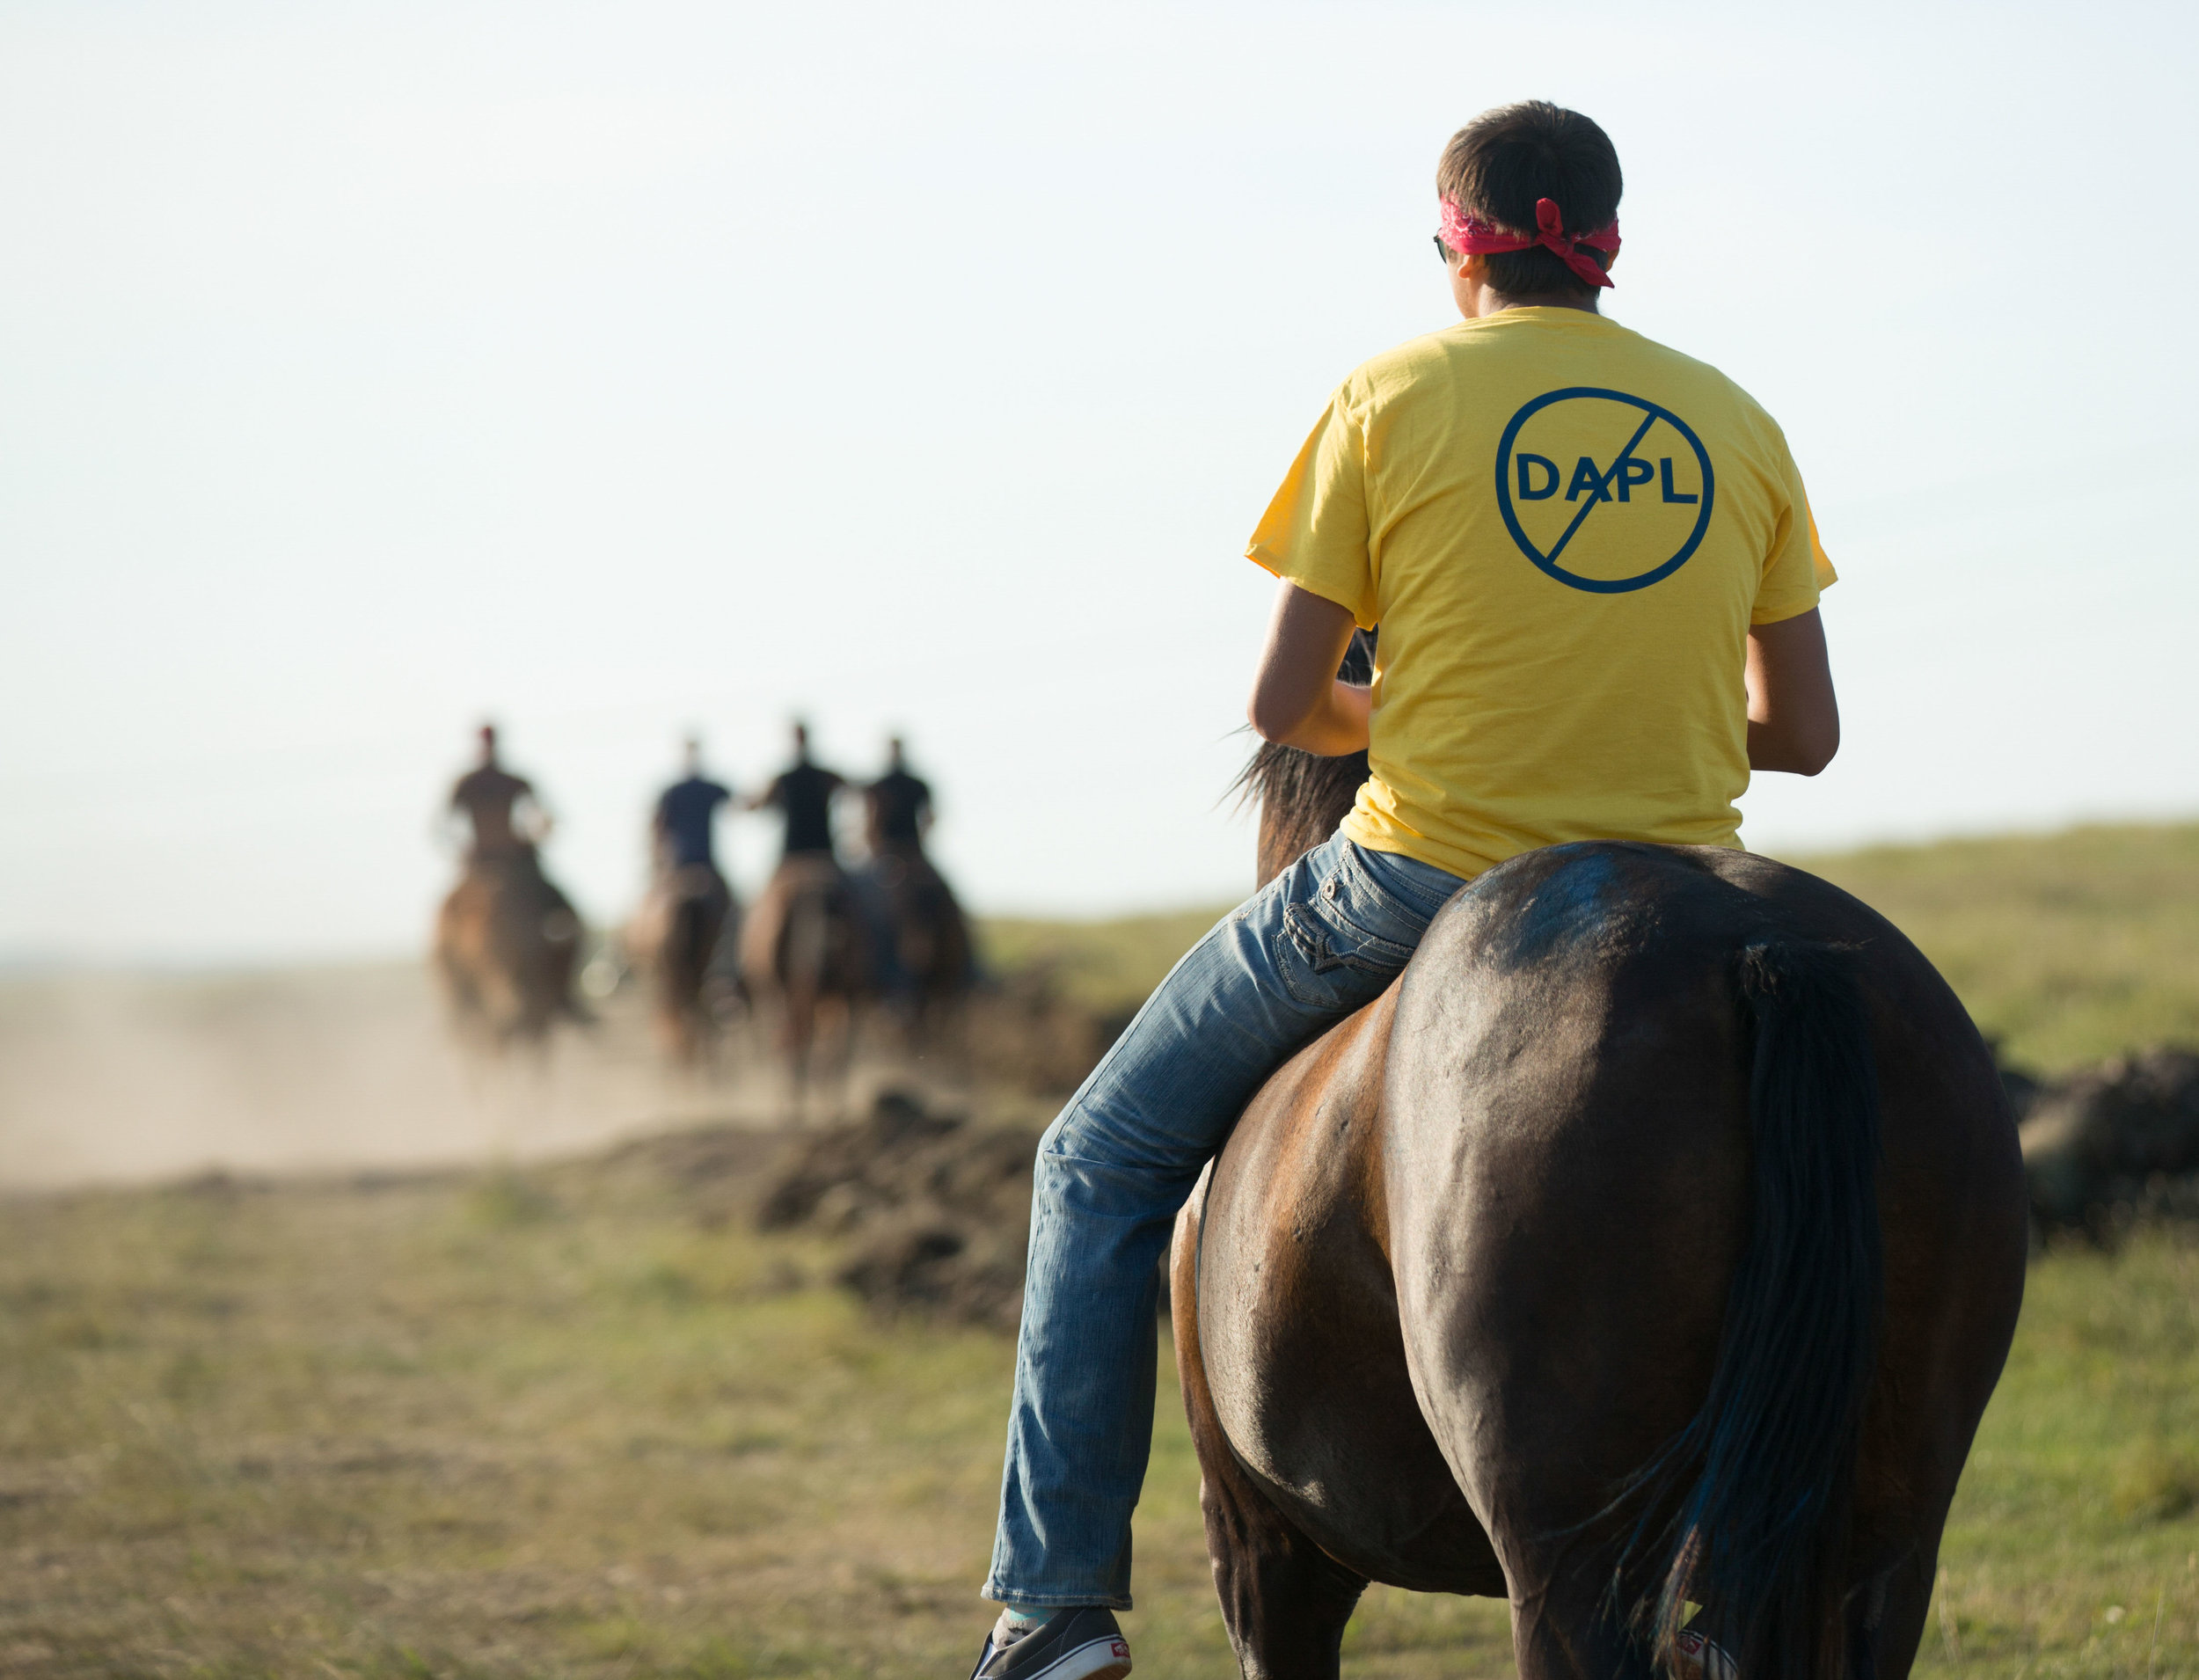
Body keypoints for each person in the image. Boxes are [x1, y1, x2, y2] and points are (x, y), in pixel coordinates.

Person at [968, 101, 1841, 1680]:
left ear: (1457, 244)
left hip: (1421, 878)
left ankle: (1057, 1611)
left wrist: (1415, 711)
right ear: (1611, 244)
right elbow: (1811, 737)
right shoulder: (1732, 416)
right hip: (1682, 873)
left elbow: (1283, 707)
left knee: (1095, 1157)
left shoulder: (1388, 394)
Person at [448, 723, 545, 862]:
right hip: (479, 859)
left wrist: (532, 837)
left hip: (516, 857)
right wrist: (462, 847)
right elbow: (445, 823)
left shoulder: (516, 784)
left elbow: (541, 817)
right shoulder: (466, 785)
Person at [747, 720, 844, 861]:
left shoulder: (783, 780)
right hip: (820, 851)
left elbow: (756, 805)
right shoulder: (826, 777)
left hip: (797, 853)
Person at [654, 736, 733, 874]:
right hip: (689, 861)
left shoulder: (675, 792)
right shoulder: (675, 792)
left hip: (696, 861)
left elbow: (659, 826)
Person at [865, 735, 933, 855]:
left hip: (910, 846)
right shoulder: (880, 787)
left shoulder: (917, 786)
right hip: (889, 847)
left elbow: (928, 817)